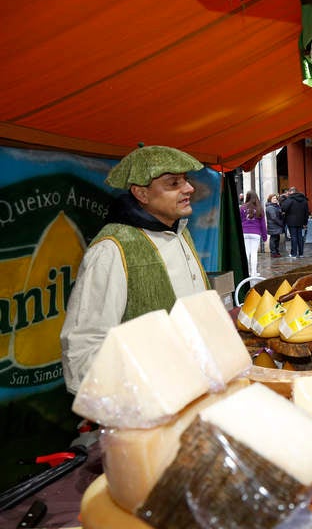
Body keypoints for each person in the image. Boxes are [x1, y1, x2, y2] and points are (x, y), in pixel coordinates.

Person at [60, 145, 209, 394]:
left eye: (186, 180)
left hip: (192, 386)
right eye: (173, 183)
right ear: (141, 193)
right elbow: (83, 348)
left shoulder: (180, 232)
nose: (189, 189)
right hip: (148, 401)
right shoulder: (111, 250)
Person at [240, 190, 267, 279]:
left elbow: (239, 222)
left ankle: (246, 272)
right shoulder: (259, 208)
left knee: (246, 253)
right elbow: (263, 224)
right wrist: (264, 236)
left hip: (245, 232)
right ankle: (254, 273)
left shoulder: (242, 208)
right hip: (255, 233)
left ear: (246, 197)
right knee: (254, 253)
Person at [281, 186, 309, 258]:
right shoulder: (303, 199)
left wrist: (284, 199)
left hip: (291, 221)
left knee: (293, 237)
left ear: (291, 192)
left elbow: (283, 208)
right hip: (301, 221)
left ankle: (293, 254)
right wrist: (305, 223)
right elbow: (306, 212)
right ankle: (301, 253)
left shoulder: (290, 199)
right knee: (299, 237)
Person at [265, 193, 284, 258]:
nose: (275, 199)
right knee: (273, 239)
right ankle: (273, 253)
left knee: (276, 239)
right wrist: (281, 223)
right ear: (270, 199)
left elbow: (279, 213)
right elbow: (274, 217)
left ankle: (276, 252)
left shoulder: (275, 206)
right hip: (273, 226)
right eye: (273, 198)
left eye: (276, 198)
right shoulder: (270, 207)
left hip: (276, 226)